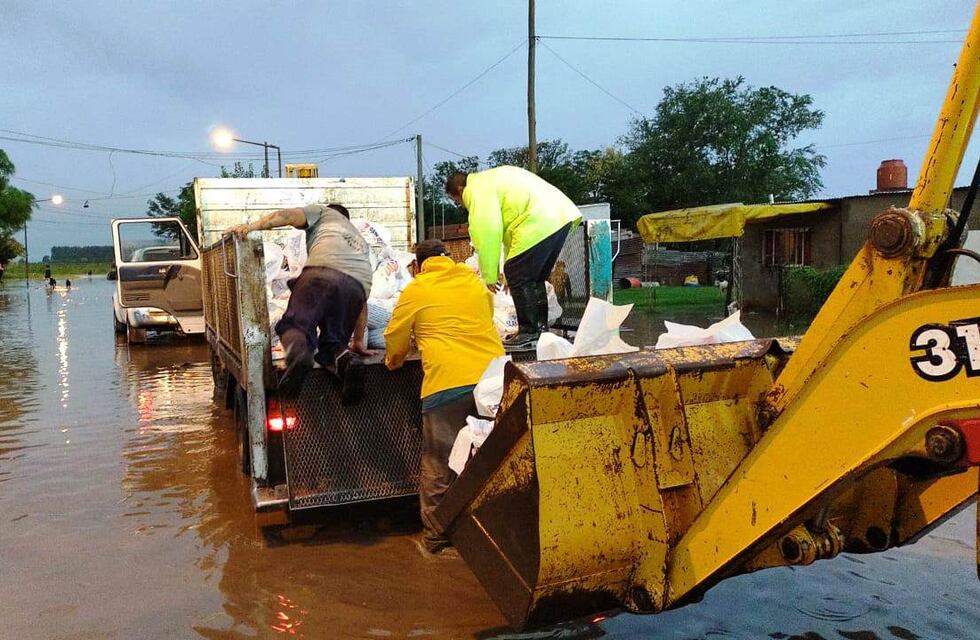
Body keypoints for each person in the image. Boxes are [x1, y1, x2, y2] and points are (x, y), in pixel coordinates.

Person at [384, 239, 504, 558]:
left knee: (440, 463)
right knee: (487, 458)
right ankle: (490, 527)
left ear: (419, 265)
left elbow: (395, 336)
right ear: (448, 258)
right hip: (493, 380)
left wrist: (394, 361)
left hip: (447, 384)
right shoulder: (474, 282)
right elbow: (487, 316)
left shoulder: (416, 289)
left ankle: (436, 540)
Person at [229, 203, 373, 403]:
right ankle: (347, 361)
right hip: (356, 287)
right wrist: (357, 341)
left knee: (296, 325)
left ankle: (301, 354)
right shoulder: (360, 243)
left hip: (322, 273)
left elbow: (286, 215)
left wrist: (251, 227)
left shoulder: (322, 213)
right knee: (333, 344)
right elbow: (362, 306)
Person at [445, 165, 582, 349]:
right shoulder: (490, 181)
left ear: (459, 191)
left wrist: (489, 276)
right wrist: (510, 276)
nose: (461, 205)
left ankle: (529, 332)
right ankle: (540, 330)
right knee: (534, 278)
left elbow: (488, 231)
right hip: (558, 217)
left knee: (518, 273)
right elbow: (512, 241)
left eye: (457, 201)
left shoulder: (475, 190)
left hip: (537, 220)